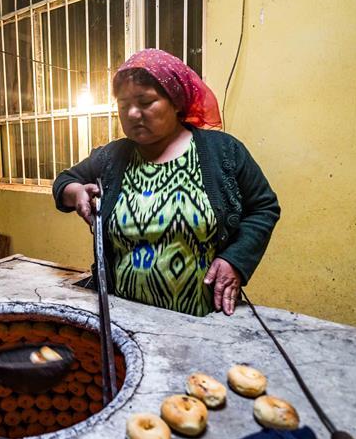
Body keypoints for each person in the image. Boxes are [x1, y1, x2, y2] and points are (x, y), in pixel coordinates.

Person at [53, 49, 279, 317]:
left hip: (202, 319)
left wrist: (235, 261)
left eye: (146, 102)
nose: (133, 113)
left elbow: (264, 207)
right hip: (124, 316)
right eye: (124, 105)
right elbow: (64, 182)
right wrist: (75, 191)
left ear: (176, 102)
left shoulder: (223, 152)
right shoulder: (113, 157)